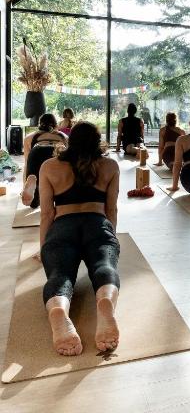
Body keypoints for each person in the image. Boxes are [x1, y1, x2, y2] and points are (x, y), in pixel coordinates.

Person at [39, 122, 120, 356]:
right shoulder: (110, 166)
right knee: (104, 266)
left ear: (69, 140)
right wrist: (110, 238)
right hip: (97, 224)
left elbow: (46, 214)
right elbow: (111, 210)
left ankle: (58, 310)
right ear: (98, 142)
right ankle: (104, 301)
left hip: (63, 227)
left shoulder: (49, 166)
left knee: (60, 275)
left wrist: (44, 247)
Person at [21, 113, 67, 208]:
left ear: (40, 124)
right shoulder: (64, 136)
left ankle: (33, 186)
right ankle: (56, 195)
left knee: (33, 175)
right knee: (58, 179)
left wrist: (25, 184)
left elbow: (26, 163)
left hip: (37, 151)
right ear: (55, 124)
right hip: (55, 150)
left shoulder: (29, 137)